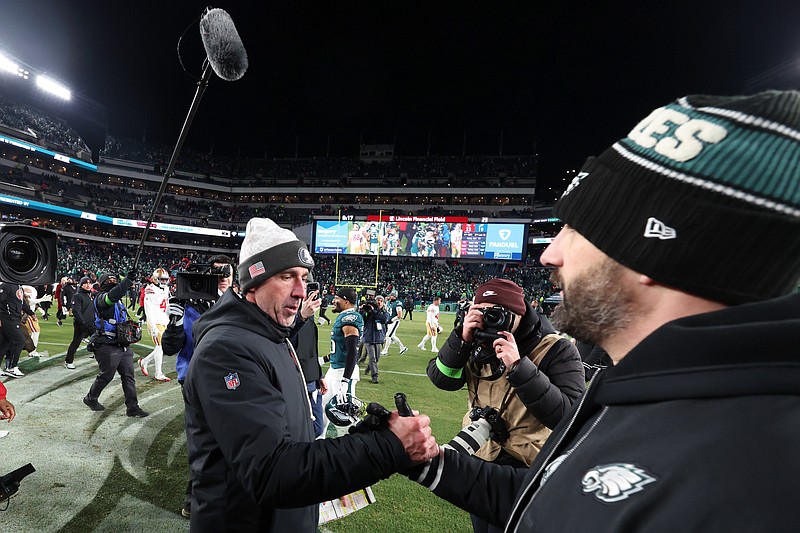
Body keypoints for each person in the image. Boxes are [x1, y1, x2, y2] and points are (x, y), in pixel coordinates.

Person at [407, 91, 800, 530]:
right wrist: (423, 461)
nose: (550, 254)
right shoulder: (660, 389)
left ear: (652, 246)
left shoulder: (755, 471)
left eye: (576, 230)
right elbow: (550, 497)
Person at [183, 217, 437, 532]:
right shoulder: (227, 351)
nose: (301, 291)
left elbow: (290, 440)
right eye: (287, 276)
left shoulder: (270, 334)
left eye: (304, 277)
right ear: (254, 280)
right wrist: (388, 448)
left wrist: (366, 438)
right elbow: (273, 471)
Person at [427, 278, 585, 533]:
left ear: (519, 314)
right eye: (483, 311)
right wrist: (461, 339)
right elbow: (441, 379)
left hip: (527, 464)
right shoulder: (475, 342)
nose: (489, 319)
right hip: (480, 454)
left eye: (497, 313)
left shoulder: (556, 349)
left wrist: (519, 367)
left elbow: (569, 415)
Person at [162, 254, 235, 519]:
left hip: (231, 379)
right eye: (216, 272)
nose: (222, 276)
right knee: (206, 439)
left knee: (230, 438)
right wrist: (175, 323)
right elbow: (170, 349)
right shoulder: (190, 306)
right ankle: (195, 500)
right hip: (194, 378)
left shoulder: (239, 303)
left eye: (226, 271)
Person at [83, 271, 148, 417]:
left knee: (129, 376)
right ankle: (90, 398)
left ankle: (132, 408)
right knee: (107, 375)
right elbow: (111, 296)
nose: (112, 281)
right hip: (106, 344)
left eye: (114, 279)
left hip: (122, 344)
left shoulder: (118, 302)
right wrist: (127, 280)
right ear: (101, 284)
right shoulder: (101, 298)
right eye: (108, 279)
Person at [321, 286, 363, 436]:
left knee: (345, 414)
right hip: (334, 369)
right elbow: (341, 349)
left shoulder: (350, 318)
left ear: (346, 301)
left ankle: (353, 450)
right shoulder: (343, 317)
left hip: (343, 372)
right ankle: (319, 439)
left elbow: (352, 351)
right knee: (323, 405)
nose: (334, 301)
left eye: (337, 298)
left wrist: (346, 380)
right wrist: (324, 359)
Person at [290, 277, 327, 438]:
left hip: (311, 378)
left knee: (317, 427)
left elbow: (311, 348)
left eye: (305, 281)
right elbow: (282, 342)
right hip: (297, 379)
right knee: (305, 427)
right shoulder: (287, 311)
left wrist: (319, 374)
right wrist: (301, 317)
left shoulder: (309, 318)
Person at [138, 268, 171, 382]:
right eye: (162, 279)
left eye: (165, 279)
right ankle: (158, 373)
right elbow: (148, 309)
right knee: (160, 347)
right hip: (155, 321)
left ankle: (144, 361)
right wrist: (152, 326)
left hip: (164, 320)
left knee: (162, 347)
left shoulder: (166, 288)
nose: (164, 282)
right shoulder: (150, 289)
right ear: (156, 279)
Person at [0, 282, 36, 378]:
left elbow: (22, 303)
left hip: (14, 318)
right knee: (20, 341)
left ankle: (9, 367)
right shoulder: (6, 285)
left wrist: (31, 313)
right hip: (8, 319)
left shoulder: (18, 286)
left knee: (4, 344)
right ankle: (12, 367)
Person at [64, 277, 95, 370]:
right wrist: (82, 322)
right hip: (81, 324)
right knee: (76, 342)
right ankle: (68, 361)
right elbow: (76, 310)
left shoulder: (92, 295)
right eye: (85, 283)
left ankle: (100, 359)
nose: (88, 285)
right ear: (81, 285)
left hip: (92, 323)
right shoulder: (77, 296)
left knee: (98, 342)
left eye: (89, 283)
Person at [361, 294, 389, 384]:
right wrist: (362, 310)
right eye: (378, 300)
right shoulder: (368, 311)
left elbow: (384, 319)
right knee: (372, 357)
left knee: (376, 358)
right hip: (368, 337)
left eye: (381, 301)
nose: (379, 302)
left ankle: (369, 368)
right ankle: (374, 376)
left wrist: (374, 311)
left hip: (379, 338)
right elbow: (362, 320)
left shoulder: (384, 312)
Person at [381, 290, 408, 355]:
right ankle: (402, 348)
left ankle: (385, 351)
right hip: (390, 321)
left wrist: (392, 320)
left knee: (388, 335)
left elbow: (399, 315)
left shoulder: (398, 303)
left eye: (392, 295)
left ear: (395, 296)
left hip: (394, 322)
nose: (390, 296)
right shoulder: (390, 302)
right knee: (392, 336)